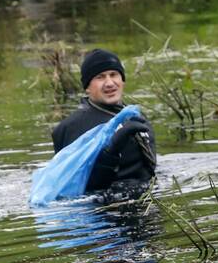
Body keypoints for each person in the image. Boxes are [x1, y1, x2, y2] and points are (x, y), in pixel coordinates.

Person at [51, 48, 157, 198]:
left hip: (147, 199)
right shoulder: (72, 127)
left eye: (114, 75)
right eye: (100, 77)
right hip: (105, 211)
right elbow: (75, 185)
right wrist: (112, 149)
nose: (109, 83)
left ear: (122, 80)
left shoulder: (134, 115)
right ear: (87, 87)